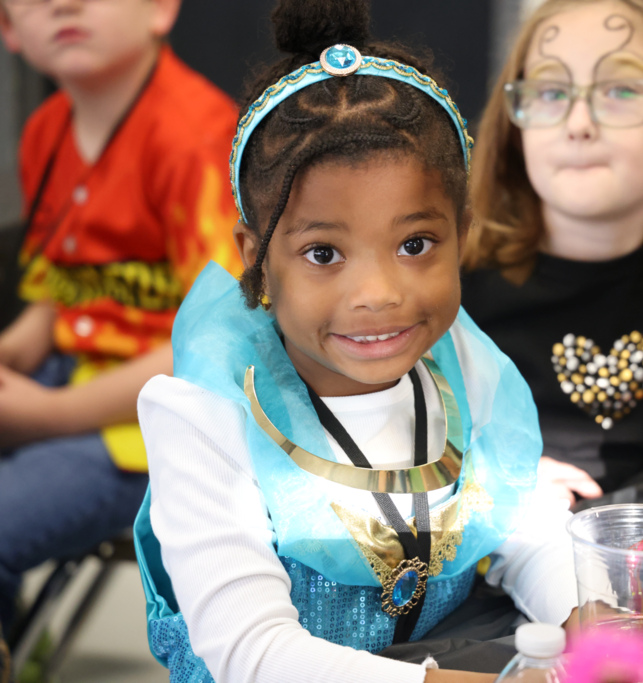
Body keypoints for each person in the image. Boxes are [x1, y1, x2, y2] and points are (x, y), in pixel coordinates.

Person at [133, 2, 578, 681]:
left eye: (415, 244)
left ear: (462, 233)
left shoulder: (459, 364)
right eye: (323, 253)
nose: (378, 292)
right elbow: (253, 652)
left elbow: (524, 519)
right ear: (256, 259)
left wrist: (590, 615)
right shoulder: (204, 414)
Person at [0, 0, 240, 634]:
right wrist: (13, 354)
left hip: (156, 422)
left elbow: (217, 345)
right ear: (7, 27)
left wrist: (42, 417)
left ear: (161, 10)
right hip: (68, 373)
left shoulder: (194, 138)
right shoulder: (46, 129)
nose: (63, 4)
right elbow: (59, 295)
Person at [461, 0, 643, 505]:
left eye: (621, 90)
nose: (578, 123)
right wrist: (491, 470)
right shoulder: (456, 273)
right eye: (551, 91)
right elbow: (396, 415)